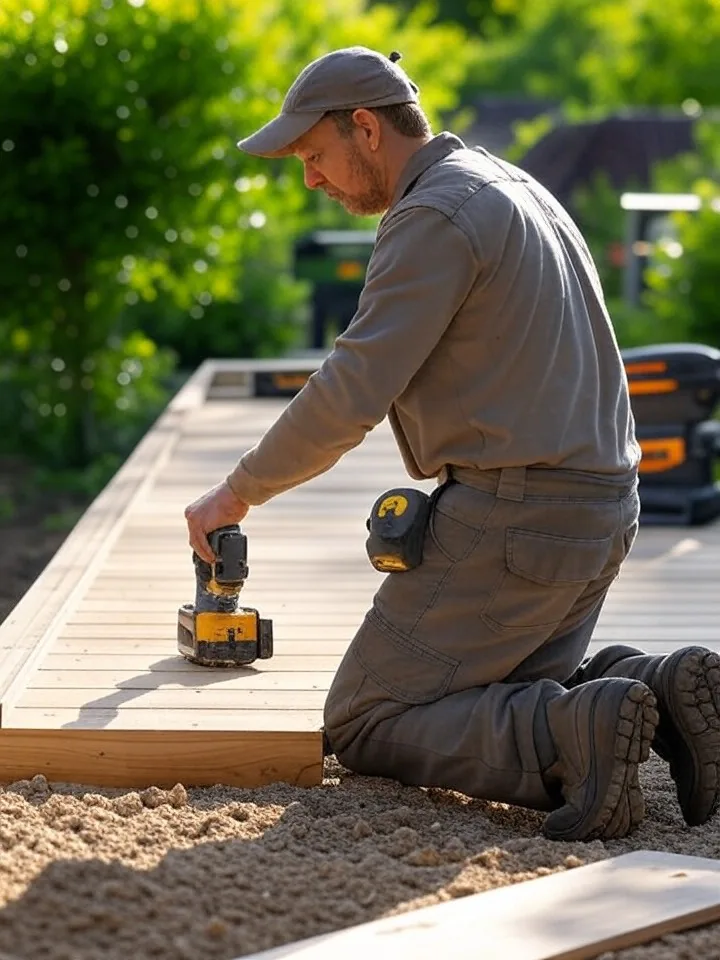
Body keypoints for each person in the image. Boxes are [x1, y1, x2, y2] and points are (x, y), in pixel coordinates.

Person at [184, 47, 720, 840]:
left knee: (369, 714)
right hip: (605, 509)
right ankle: (661, 694)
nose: (311, 180)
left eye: (313, 155)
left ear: (366, 128)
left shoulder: (434, 215)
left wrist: (237, 493)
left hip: (523, 520)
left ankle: (567, 738)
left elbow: (352, 388)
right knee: (487, 684)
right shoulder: (515, 186)